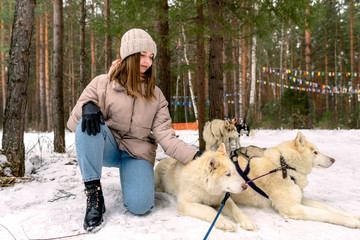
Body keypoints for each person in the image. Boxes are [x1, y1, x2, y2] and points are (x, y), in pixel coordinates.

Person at [67, 28, 201, 233]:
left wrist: (196, 156)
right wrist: (87, 107)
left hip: (136, 152)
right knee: (86, 125)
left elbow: (166, 136)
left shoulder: (156, 95)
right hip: (107, 146)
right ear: (128, 56)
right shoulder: (101, 83)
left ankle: (132, 176)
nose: (147, 62)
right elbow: (73, 125)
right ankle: (94, 195)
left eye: (151, 57)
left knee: (140, 206)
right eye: (142, 55)